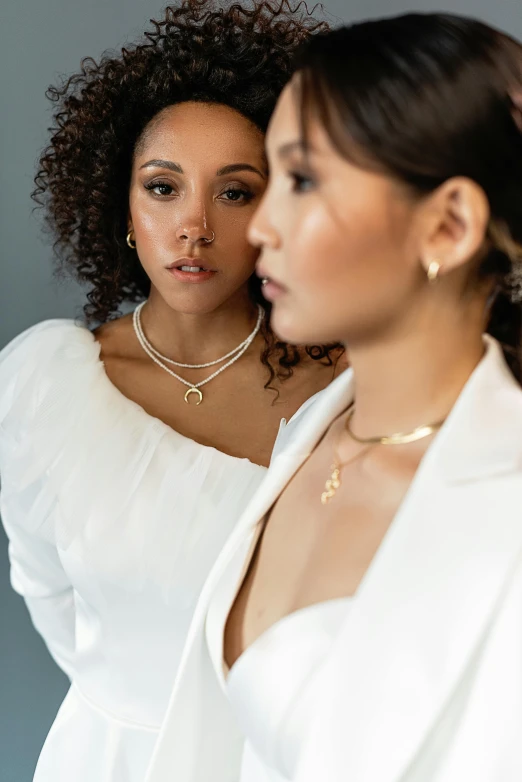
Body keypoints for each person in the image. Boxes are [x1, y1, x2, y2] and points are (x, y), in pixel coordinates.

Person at [144, 12, 522, 782]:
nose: (261, 229)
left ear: (448, 226)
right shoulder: (313, 431)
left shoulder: (504, 512)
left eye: (305, 180)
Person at [0, 2, 343, 780]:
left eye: (233, 192)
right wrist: (130, 704)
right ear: (121, 206)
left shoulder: (345, 393)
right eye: (163, 188)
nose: (193, 226)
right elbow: (45, 589)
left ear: (283, 207)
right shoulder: (48, 385)